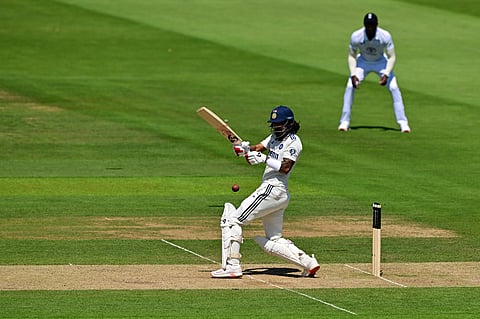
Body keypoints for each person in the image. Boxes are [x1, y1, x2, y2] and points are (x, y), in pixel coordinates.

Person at [210, 105, 320, 279]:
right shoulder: (274, 137)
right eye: (274, 124)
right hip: (278, 194)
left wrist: (264, 159)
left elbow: (285, 167)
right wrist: (244, 150)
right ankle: (308, 263)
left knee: (234, 220)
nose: (276, 127)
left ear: (289, 124)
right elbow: (257, 149)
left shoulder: (294, 142)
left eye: (280, 124)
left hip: (273, 189)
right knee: (274, 238)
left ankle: (233, 266)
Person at [338, 12, 411, 133]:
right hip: (362, 62)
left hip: (381, 62)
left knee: (393, 87)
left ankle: (403, 123)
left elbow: (392, 56)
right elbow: (352, 56)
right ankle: (344, 122)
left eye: (372, 25)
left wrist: (386, 74)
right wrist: (353, 74)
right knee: (350, 86)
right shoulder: (356, 36)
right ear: (364, 25)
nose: (370, 28)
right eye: (368, 25)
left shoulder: (385, 35)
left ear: (376, 25)